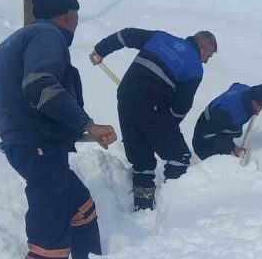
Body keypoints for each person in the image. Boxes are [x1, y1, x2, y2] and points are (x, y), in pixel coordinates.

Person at [0, 0, 116, 259]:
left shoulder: (7, 46)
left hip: (30, 148)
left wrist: (75, 134)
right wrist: (86, 123)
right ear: (69, 13)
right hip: (39, 151)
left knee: (82, 209)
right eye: (76, 14)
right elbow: (41, 86)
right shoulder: (48, 37)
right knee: (50, 245)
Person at [90, 29, 217, 210]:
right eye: (208, 56)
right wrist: (165, 130)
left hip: (126, 97)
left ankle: (143, 207)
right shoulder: (195, 68)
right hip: (152, 106)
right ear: (203, 48)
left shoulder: (161, 37)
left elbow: (126, 35)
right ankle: (174, 207)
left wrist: (101, 49)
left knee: (141, 160)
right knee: (179, 157)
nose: (206, 61)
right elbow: (182, 105)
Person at [192, 83, 262, 160]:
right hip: (202, 138)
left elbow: (235, 85)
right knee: (224, 163)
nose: (258, 111)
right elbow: (208, 134)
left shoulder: (246, 90)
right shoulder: (228, 111)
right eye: (259, 105)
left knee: (235, 131)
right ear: (252, 98)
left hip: (219, 126)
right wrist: (233, 148)